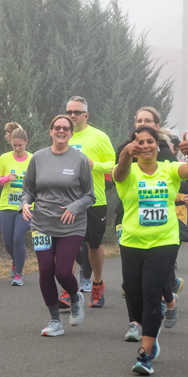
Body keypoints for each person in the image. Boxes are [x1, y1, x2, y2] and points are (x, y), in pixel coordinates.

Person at [114, 126, 188, 375]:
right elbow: (119, 173)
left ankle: (145, 354)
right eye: (139, 142)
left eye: (150, 141)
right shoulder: (127, 172)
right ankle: (150, 334)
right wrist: (124, 156)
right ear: (133, 146)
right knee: (134, 297)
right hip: (131, 242)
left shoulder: (169, 170)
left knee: (152, 294)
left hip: (164, 241)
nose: (145, 145)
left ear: (157, 144)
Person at [21, 114, 95, 337]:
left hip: (71, 225)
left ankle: (75, 297)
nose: (61, 131)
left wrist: (74, 207)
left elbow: (90, 196)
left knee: (63, 271)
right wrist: (25, 204)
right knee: (45, 270)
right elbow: (28, 189)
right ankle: (54, 320)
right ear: (51, 131)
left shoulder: (80, 160)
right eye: (57, 127)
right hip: (42, 222)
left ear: (71, 133)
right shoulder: (38, 158)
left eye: (66, 128)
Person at [116, 106, 184, 339]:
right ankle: (135, 321)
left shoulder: (165, 152)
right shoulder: (126, 148)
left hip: (163, 233)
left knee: (156, 283)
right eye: (138, 120)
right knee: (134, 284)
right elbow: (119, 175)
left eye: (147, 120)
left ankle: (169, 302)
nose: (141, 123)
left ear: (157, 125)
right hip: (131, 217)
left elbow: (185, 177)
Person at [65, 96, 116, 309]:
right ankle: (68, 289)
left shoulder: (99, 136)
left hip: (94, 200)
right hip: (66, 200)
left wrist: (94, 164)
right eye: (69, 112)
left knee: (93, 245)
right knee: (66, 245)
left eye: (77, 112)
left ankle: (97, 284)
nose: (73, 116)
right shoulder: (61, 135)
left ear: (86, 115)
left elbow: (114, 164)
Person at [0, 122, 32, 286]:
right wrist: (7, 178)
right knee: (7, 242)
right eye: (14, 145)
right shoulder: (4, 158)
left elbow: (39, 182)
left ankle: (19, 274)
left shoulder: (32, 159)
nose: (17, 148)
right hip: (7, 206)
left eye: (20, 145)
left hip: (26, 207)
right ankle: (16, 261)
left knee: (18, 238)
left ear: (26, 142)